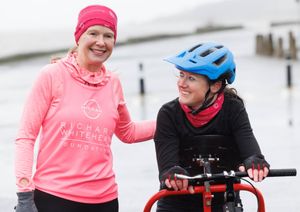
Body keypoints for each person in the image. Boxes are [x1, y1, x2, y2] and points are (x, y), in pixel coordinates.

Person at [14, 4, 156, 212]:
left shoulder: (113, 82)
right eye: (93, 33)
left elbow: (128, 132)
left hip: (105, 200)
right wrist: (24, 195)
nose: (101, 42)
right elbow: (26, 137)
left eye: (108, 36)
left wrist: (174, 116)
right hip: (55, 197)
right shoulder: (52, 75)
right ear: (78, 36)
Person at [154, 42, 270, 212]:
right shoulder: (168, 113)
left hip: (224, 200)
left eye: (191, 78)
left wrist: (255, 161)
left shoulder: (233, 108)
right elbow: (167, 166)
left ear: (215, 86)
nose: (181, 83)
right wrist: (172, 173)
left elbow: (249, 147)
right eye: (181, 75)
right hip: (176, 203)